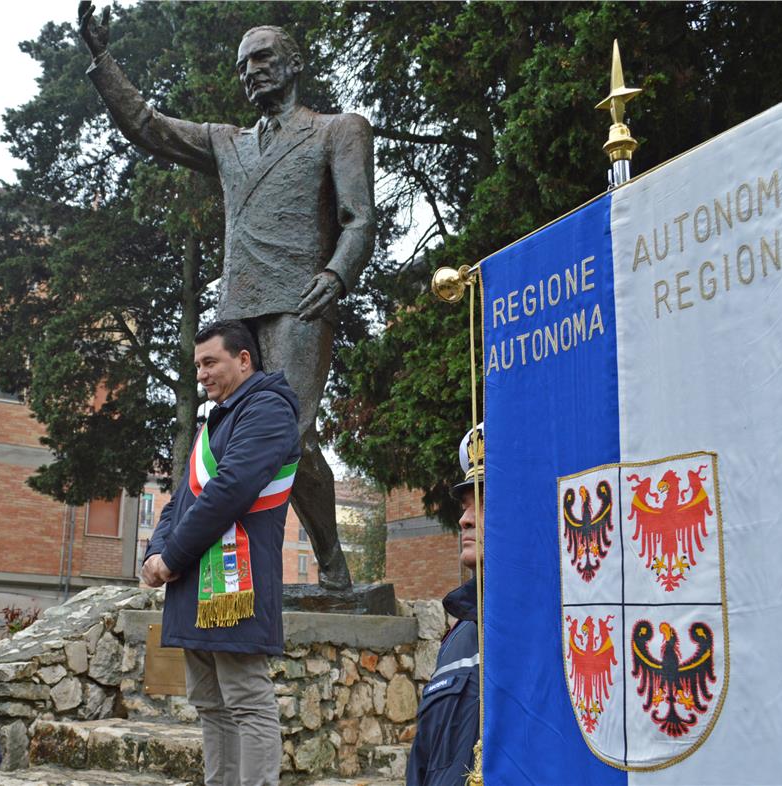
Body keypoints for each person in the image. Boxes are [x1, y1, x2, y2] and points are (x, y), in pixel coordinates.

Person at [79, 3, 375, 589]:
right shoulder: (226, 142)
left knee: (289, 434)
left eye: (262, 58)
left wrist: (337, 274)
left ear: (295, 63)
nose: (251, 72)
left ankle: (328, 567)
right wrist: (102, 58)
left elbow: (359, 219)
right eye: (242, 66)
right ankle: (266, 571)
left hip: (300, 302)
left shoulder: (338, 130)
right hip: (236, 311)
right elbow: (148, 125)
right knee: (229, 439)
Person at [142, 320, 301, 786]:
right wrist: (155, 552)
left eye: (210, 362)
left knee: (247, 701)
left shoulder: (268, 409)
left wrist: (171, 558)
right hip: (196, 579)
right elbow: (180, 500)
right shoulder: (217, 418)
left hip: (236, 581)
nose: (201, 375)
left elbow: (229, 490)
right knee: (210, 703)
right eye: (197, 366)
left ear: (244, 359)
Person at [406, 425, 483, 786]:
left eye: (485, 504)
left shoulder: (558, 629)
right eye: (466, 506)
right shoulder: (458, 635)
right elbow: (423, 762)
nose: (464, 519)